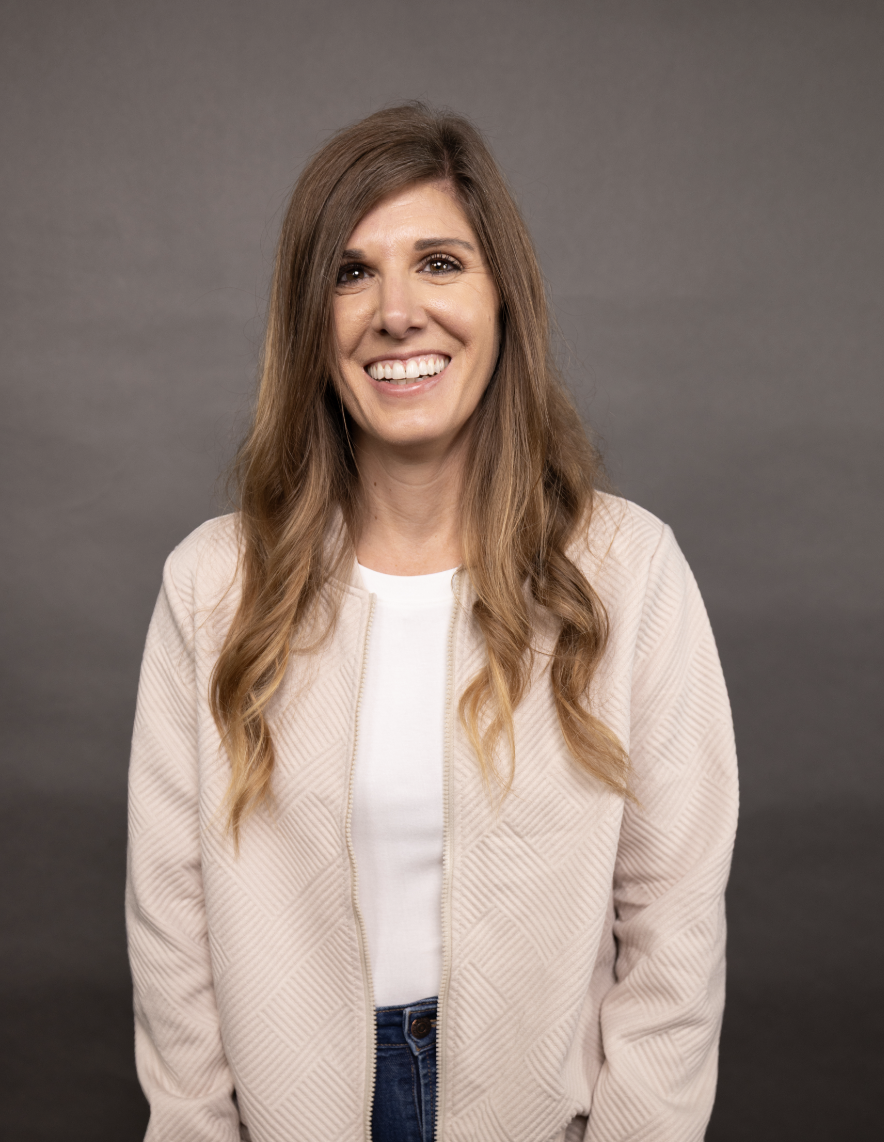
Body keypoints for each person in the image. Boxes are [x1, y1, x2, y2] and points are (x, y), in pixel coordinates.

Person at [126, 103, 738, 1142]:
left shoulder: (627, 571)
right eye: (350, 271)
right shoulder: (211, 584)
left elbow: (673, 929)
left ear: (504, 298)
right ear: (308, 320)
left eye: (440, 262)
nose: (395, 311)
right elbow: (172, 931)